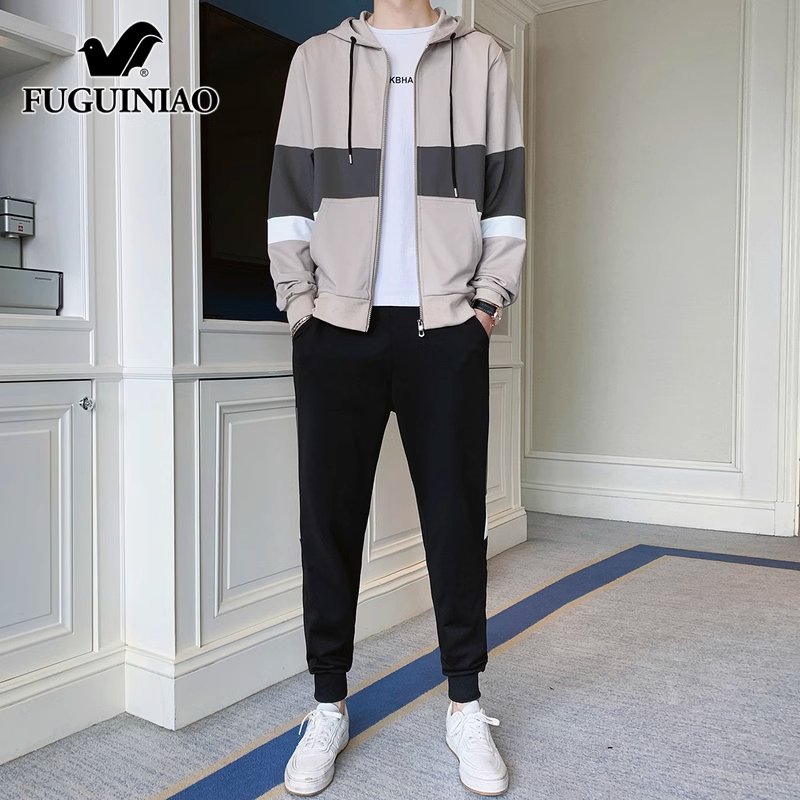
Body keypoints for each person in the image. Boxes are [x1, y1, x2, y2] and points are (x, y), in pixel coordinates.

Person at [267, 1, 526, 795]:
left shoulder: (481, 56)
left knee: (455, 521)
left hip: (446, 330)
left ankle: (465, 704)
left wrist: (487, 304)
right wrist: (300, 306)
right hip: (335, 330)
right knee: (329, 523)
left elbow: (507, 198)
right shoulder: (317, 59)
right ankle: (327, 705)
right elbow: (288, 199)